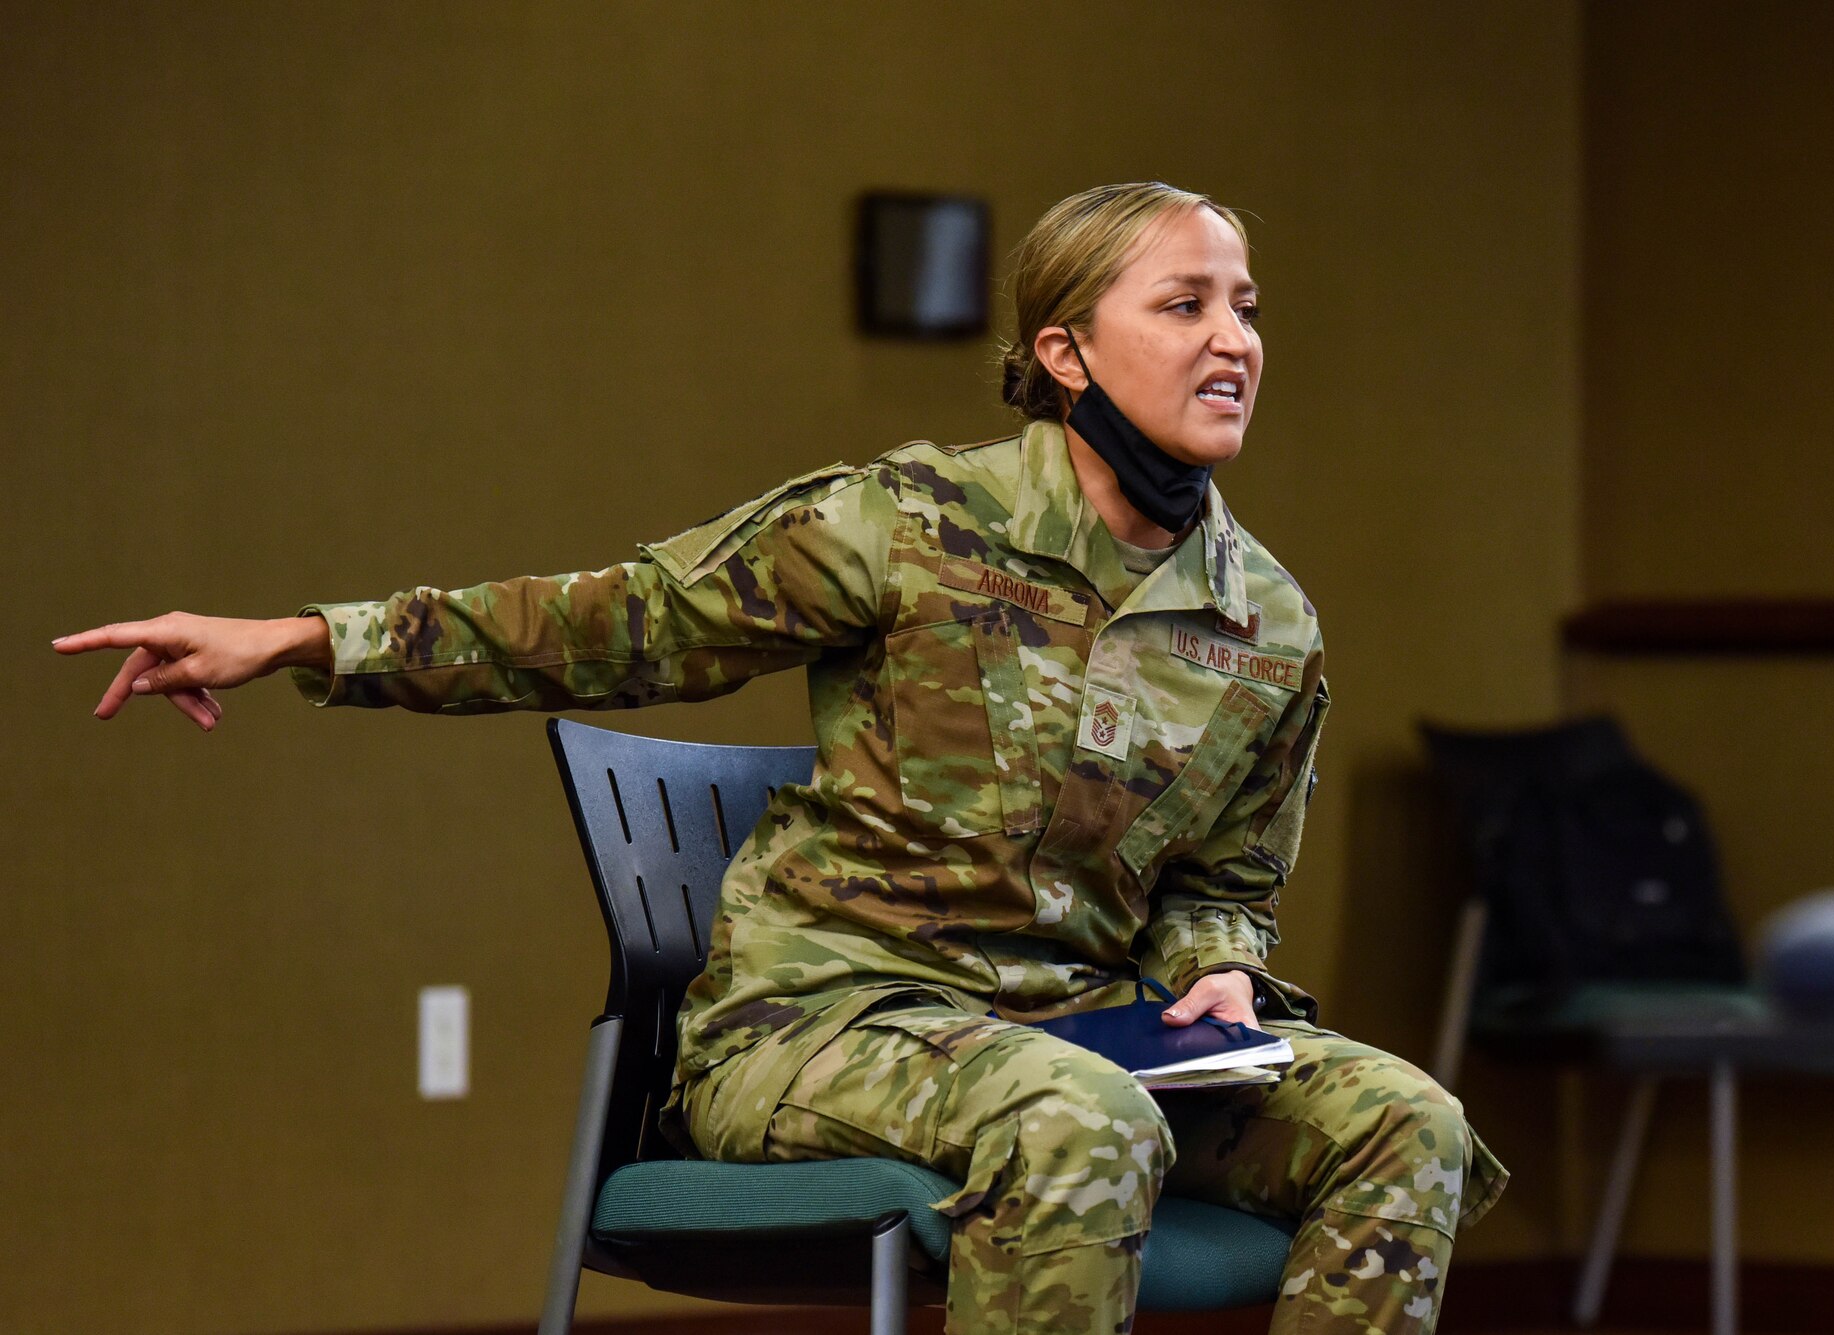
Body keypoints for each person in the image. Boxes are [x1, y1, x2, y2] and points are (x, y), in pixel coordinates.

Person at [56, 181, 1506, 1334]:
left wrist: (1219, 960)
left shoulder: (1268, 624)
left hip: (1084, 1037)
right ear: (1064, 352)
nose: (1233, 340)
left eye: (1245, 307)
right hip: (819, 1029)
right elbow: (616, 624)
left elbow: (1225, 879)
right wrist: (315, 637)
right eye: (1182, 304)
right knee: (1077, 1116)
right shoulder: (909, 523)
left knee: (1407, 1124)